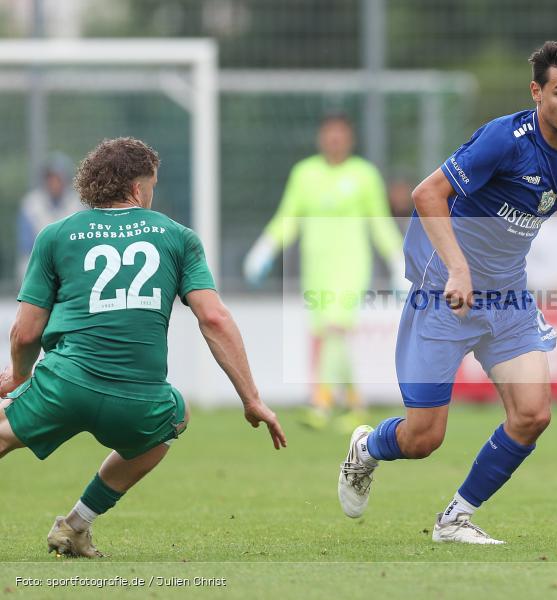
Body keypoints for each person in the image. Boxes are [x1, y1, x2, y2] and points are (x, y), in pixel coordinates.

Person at [337, 41, 557, 544]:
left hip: (507, 300)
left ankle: (454, 519)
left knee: (533, 415)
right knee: (423, 438)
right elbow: (426, 193)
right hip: (444, 293)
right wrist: (458, 270)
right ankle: (367, 448)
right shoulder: (504, 140)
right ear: (537, 91)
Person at [0, 137, 286, 558]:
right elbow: (214, 319)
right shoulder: (177, 237)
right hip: (138, 399)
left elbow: (25, 334)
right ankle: (77, 524)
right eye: (151, 184)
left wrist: (20, 378)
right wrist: (252, 399)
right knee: (176, 414)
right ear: (137, 189)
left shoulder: (56, 236)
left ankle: (75, 526)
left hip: (63, 384)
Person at [244, 115, 403, 432]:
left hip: (352, 264)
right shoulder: (305, 173)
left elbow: (379, 223)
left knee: (335, 327)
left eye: (340, 135)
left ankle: (321, 402)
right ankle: (356, 405)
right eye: (329, 135)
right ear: (321, 138)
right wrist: (266, 247)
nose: (334, 140)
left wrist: (398, 260)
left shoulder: (364, 174)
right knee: (329, 334)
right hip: (316, 266)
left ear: (350, 139)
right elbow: (288, 217)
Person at [17, 152, 83, 278]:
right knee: (25, 265)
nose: (54, 183)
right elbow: (26, 244)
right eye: (50, 178)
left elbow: (83, 241)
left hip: (71, 259)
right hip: (39, 260)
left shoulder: (79, 202)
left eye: (58, 178)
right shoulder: (31, 203)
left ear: (66, 179)